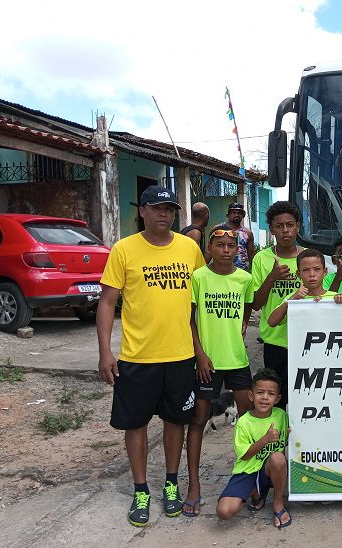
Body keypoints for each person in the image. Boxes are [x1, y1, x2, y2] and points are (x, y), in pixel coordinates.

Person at [96, 185, 205, 527]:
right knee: (136, 424)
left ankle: (171, 484)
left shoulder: (190, 248)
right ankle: (141, 489)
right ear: (142, 210)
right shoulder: (124, 249)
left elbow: (199, 301)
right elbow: (107, 302)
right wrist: (104, 352)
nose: (164, 214)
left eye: (170, 209)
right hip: (137, 357)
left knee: (176, 422)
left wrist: (201, 351)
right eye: (157, 208)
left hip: (180, 355)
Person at [183, 225, 255, 517]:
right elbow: (189, 319)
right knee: (199, 419)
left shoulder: (244, 278)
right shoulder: (198, 277)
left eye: (232, 246)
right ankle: (194, 487)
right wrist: (199, 354)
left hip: (237, 360)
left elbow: (247, 308)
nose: (227, 250)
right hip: (207, 363)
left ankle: (253, 481)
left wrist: (241, 327)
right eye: (220, 245)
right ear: (209, 249)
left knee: (250, 420)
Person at [216, 368, 292, 529]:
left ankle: (278, 502)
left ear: (277, 398)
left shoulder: (281, 415)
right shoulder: (244, 422)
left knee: (278, 457)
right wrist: (264, 440)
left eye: (271, 394)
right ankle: (256, 493)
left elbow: (285, 443)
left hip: (270, 470)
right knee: (224, 511)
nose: (265, 397)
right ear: (251, 395)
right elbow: (243, 456)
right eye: (260, 392)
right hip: (247, 470)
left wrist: (292, 435)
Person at [251, 201, 303, 410]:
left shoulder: (309, 257)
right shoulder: (262, 259)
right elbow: (256, 303)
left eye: (289, 225)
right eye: (279, 226)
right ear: (271, 229)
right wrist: (272, 277)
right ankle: (278, 441)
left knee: (302, 399)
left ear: (298, 226)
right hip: (274, 342)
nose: (285, 231)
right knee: (276, 400)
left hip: (305, 340)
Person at [268, 248, 342, 328]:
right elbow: (272, 322)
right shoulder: (294, 298)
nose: (312, 274)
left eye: (317, 269)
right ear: (298, 274)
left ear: (325, 271)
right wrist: (291, 301)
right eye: (305, 270)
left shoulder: (334, 297)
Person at [218, 202, 256, 271]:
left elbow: (251, 254)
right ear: (228, 215)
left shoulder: (247, 233)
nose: (237, 215)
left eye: (239, 213)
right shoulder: (219, 230)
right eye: (234, 212)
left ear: (243, 215)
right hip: (221, 270)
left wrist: (255, 271)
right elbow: (210, 251)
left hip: (241, 271)